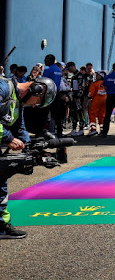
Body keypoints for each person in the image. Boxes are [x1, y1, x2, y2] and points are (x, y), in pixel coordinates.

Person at [0, 75, 56, 239]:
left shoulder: (17, 102)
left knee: (1, 178)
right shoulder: (3, 88)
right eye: (37, 101)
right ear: (36, 89)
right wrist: (9, 139)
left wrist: (32, 149)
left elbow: (19, 127)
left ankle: (2, 226)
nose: (35, 105)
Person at [42, 54, 63, 137]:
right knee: (58, 115)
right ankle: (59, 132)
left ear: (51, 60)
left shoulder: (48, 70)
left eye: (46, 59)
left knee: (45, 114)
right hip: (57, 93)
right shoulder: (58, 69)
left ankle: (43, 132)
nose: (44, 61)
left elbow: (44, 82)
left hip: (49, 94)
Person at [100, 62, 115, 138]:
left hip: (109, 96)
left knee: (107, 115)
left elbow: (104, 87)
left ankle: (105, 132)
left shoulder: (107, 76)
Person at [87, 71, 107, 136]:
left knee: (92, 114)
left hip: (96, 100)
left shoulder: (94, 84)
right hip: (105, 100)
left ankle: (93, 129)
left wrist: (89, 98)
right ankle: (102, 129)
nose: (96, 76)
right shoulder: (106, 83)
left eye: (98, 75)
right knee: (102, 115)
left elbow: (91, 93)